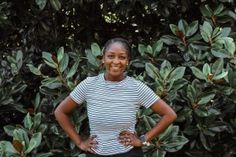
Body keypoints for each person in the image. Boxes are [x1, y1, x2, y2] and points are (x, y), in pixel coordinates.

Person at [54, 37, 177, 157]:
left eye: (122, 57)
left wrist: (142, 140)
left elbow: (170, 115)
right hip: (96, 153)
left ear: (128, 61)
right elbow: (60, 112)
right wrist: (80, 142)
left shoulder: (136, 88)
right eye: (111, 56)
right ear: (103, 59)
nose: (116, 61)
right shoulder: (89, 85)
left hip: (129, 153)